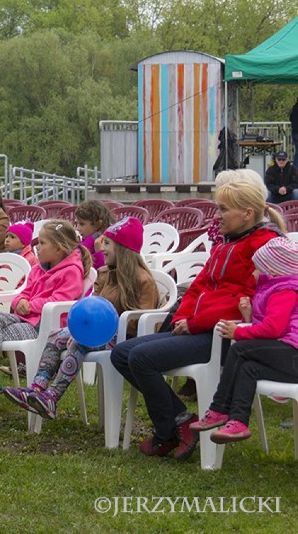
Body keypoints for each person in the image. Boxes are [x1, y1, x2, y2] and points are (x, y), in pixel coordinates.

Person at [110, 181, 285, 461]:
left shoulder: (263, 246)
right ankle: (180, 419)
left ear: (248, 213)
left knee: (141, 358)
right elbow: (198, 286)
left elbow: (246, 301)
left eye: (224, 210)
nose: (217, 216)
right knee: (120, 353)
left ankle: (167, 434)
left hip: (224, 336)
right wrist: (181, 317)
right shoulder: (227, 244)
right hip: (197, 329)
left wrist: (195, 323)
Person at [5, 217, 158, 420]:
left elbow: (140, 322)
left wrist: (103, 327)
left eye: (107, 243)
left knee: (78, 341)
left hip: (123, 339)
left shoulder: (143, 280)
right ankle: (36, 389)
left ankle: (53, 397)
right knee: (56, 336)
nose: (101, 248)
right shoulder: (105, 274)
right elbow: (91, 307)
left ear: (123, 248)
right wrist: (78, 328)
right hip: (96, 334)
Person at [0, 220, 92, 423]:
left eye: (42, 243)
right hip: (23, 319)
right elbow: (24, 292)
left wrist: (32, 305)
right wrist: (20, 300)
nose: (36, 247)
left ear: (58, 249)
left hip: (42, 327)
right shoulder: (39, 269)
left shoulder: (71, 271)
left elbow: (61, 300)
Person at [190, 237, 298, 444]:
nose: (252, 273)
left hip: (293, 354)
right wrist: (248, 317)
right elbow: (271, 326)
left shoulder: (284, 291)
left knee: (240, 349)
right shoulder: (274, 287)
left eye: (257, 268)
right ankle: (238, 422)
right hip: (288, 355)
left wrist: (238, 332)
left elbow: (274, 328)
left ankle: (219, 409)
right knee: (248, 368)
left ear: (273, 270)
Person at [74, 200, 115, 270]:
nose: (77, 228)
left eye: (82, 224)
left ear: (97, 224)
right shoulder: (86, 240)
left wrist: (99, 252)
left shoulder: (104, 244)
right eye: (76, 223)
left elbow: (104, 273)